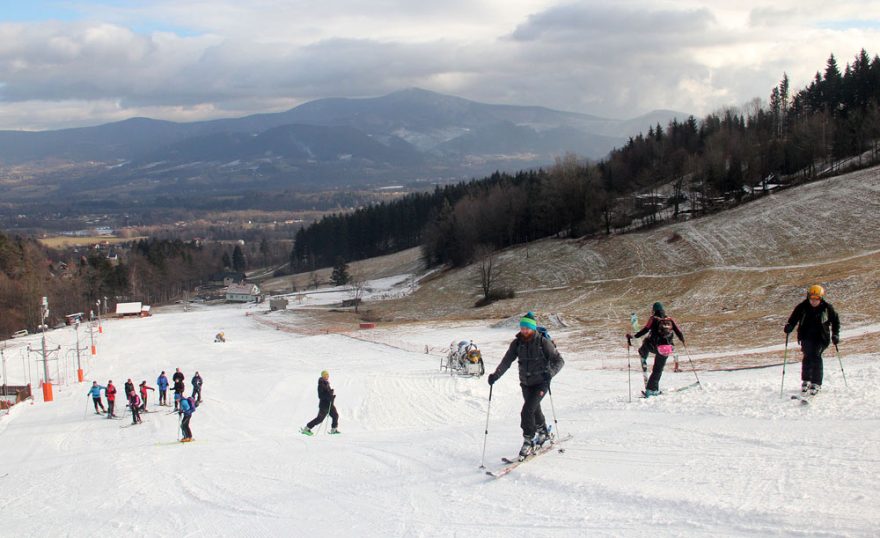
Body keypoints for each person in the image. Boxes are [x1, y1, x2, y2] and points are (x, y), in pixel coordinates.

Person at [487, 312, 564, 458]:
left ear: (533, 329)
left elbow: (559, 360)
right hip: (526, 383)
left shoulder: (543, 342)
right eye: (522, 328)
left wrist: (551, 373)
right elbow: (506, 361)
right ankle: (544, 433)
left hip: (541, 382)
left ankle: (528, 440)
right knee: (534, 410)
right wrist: (495, 375)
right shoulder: (517, 343)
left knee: (527, 411)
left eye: (526, 328)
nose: (524, 331)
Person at [784, 284, 840, 395]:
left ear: (821, 298)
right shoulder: (802, 307)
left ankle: (816, 383)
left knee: (816, 356)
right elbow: (793, 319)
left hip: (821, 338)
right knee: (807, 356)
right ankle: (806, 380)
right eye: (812, 298)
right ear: (808, 297)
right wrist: (789, 326)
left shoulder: (827, 308)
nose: (814, 301)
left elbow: (835, 321)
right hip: (806, 337)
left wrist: (835, 334)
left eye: (816, 298)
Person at [627, 302, 685, 397]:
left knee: (646, 342)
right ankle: (653, 390)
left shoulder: (653, 319)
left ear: (654, 310)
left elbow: (645, 330)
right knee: (658, 370)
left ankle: (643, 353)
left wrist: (634, 337)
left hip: (656, 347)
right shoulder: (670, 319)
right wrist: (683, 340)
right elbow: (679, 332)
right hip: (668, 349)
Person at [302, 370, 340, 435]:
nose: (327, 376)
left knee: (335, 415)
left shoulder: (327, 383)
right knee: (319, 419)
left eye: (327, 375)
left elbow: (327, 394)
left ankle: (334, 429)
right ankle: (307, 428)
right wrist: (329, 396)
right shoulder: (321, 384)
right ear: (322, 376)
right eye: (325, 375)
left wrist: (331, 396)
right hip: (324, 406)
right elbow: (321, 396)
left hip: (330, 405)